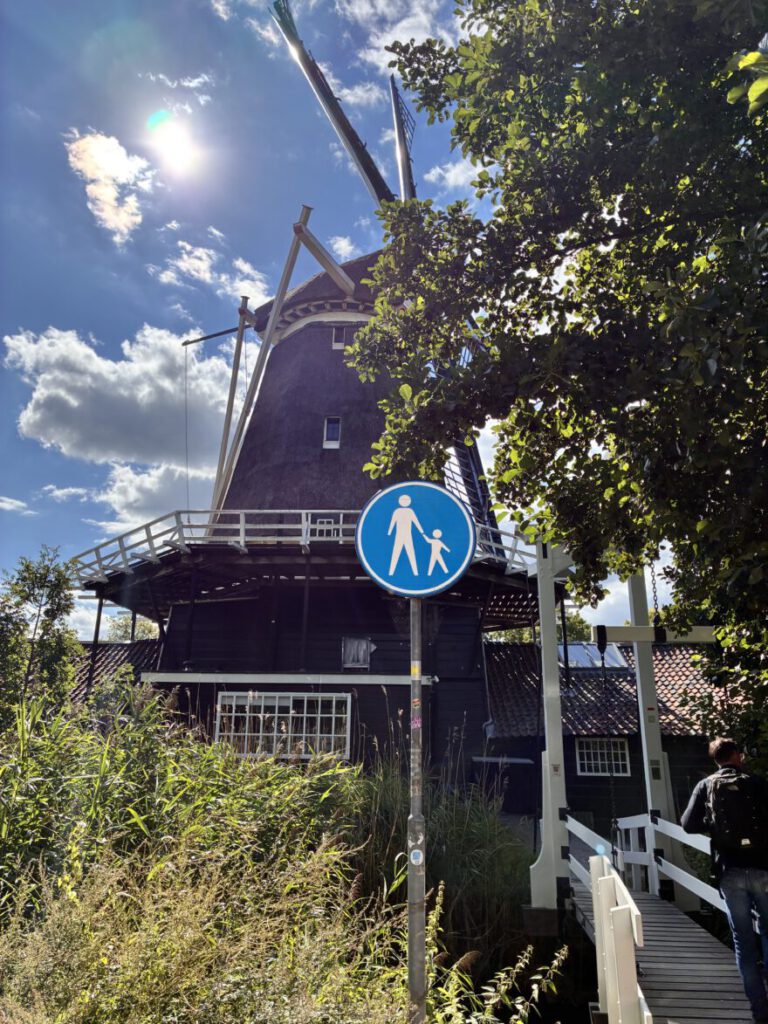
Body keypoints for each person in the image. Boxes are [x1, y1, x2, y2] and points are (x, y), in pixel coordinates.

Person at [681, 737, 768, 1023]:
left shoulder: (706, 785)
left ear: (716, 760)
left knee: (744, 944)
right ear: (738, 756)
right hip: (761, 867)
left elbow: (687, 824)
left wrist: (714, 826)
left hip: (728, 871)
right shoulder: (755, 783)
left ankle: (759, 1011)